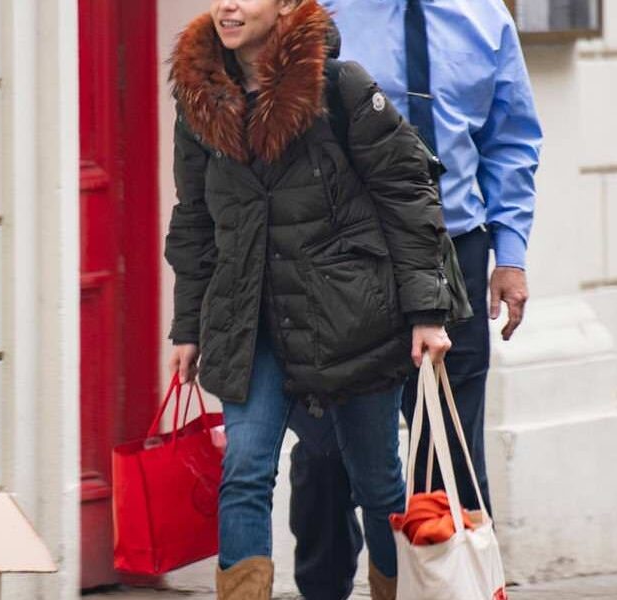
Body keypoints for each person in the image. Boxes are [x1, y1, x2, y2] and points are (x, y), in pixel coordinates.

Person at [165, 1, 468, 598]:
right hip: (249, 321)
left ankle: (397, 589)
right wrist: (187, 327)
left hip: (350, 316)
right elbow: (195, 221)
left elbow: (407, 193)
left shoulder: (341, 87)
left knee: (377, 482)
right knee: (245, 471)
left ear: (282, 6)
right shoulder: (198, 103)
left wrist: (426, 312)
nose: (227, 6)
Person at [287, 1, 543, 598]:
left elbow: (510, 141)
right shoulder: (318, 13)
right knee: (326, 454)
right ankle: (325, 585)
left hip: (453, 250)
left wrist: (509, 255)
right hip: (342, 259)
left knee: (447, 454)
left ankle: (438, 588)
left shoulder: (486, 18)